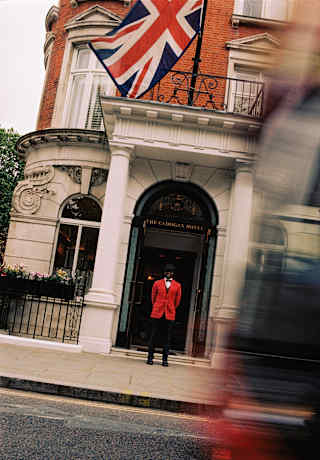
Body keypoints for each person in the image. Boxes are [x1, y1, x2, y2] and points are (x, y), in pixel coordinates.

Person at [146, 263, 182, 367]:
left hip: (169, 314)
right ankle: (150, 358)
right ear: (164, 272)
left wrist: (170, 307)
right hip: (157, 313)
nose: (168, 273)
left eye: (170, 272)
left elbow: (177, 301)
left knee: (167, 338)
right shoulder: (157, 283)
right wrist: (158, 306)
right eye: (167, 271)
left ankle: (165, 360)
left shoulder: (177, 285)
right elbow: (153, 298)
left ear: (173, 273)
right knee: (153, 336)